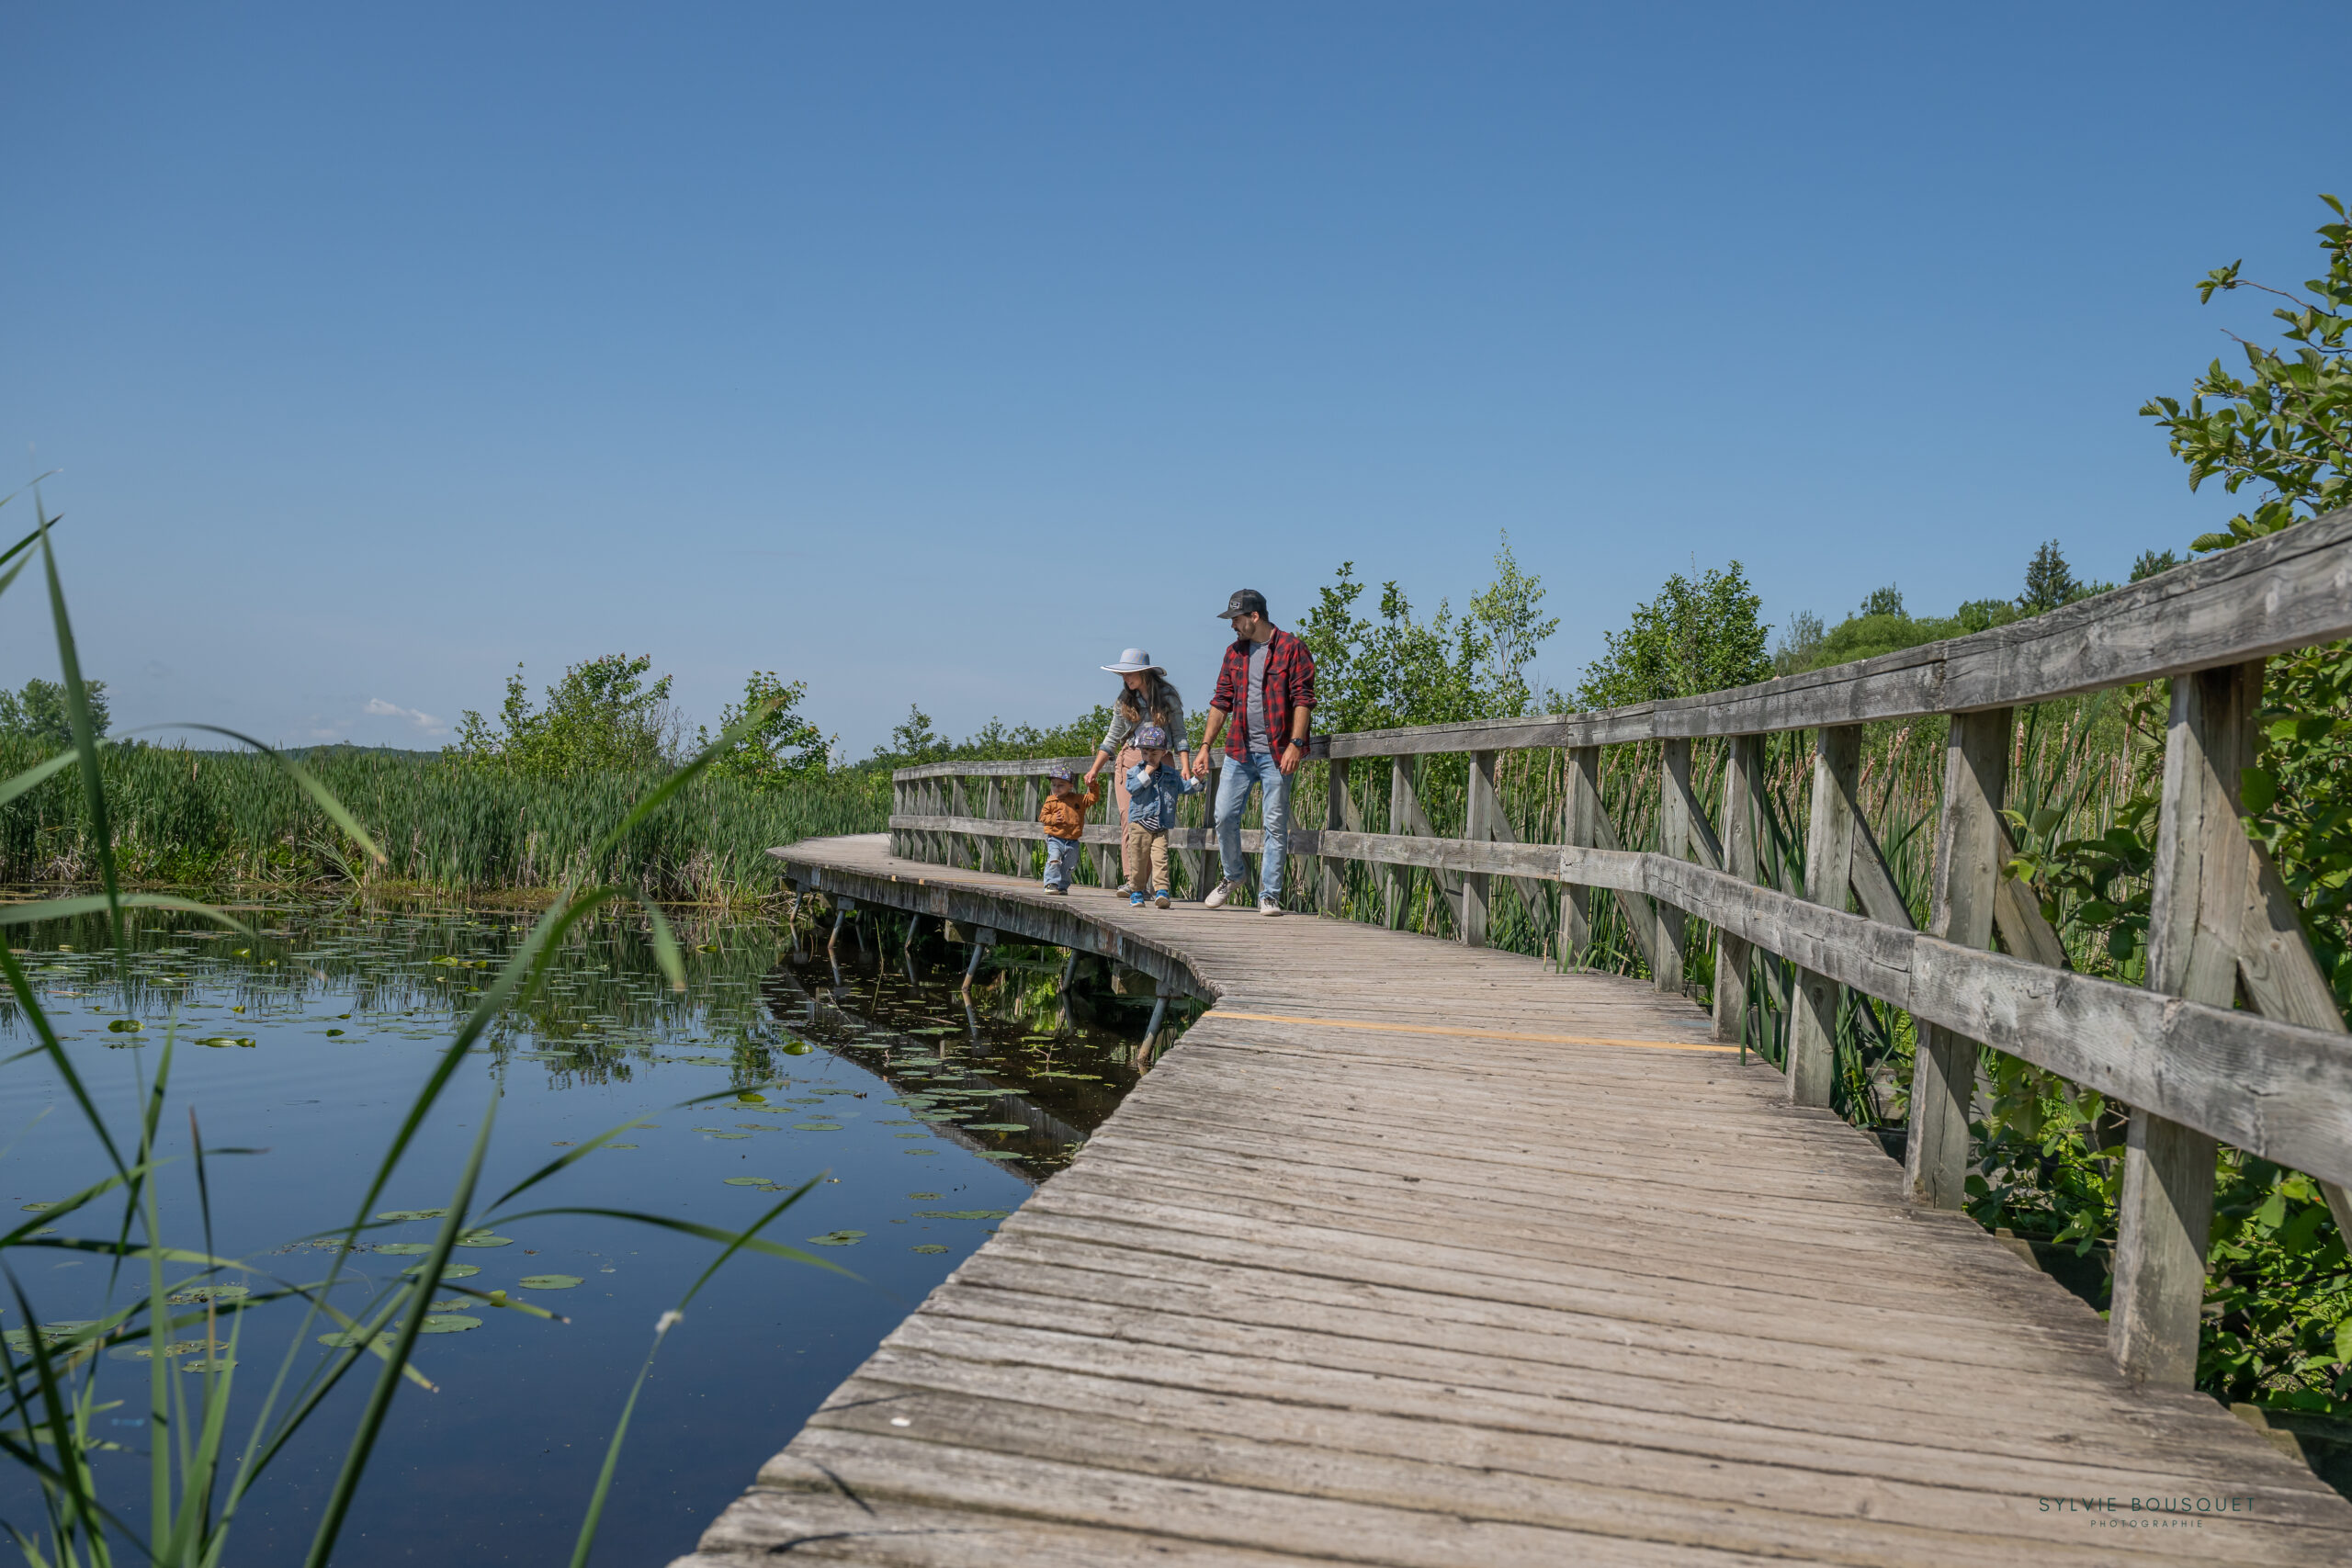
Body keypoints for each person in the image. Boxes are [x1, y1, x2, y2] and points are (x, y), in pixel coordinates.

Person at [1193, 588, 1316, 916]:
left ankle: (1269, 895)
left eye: (1236, 618)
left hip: (1278, 752)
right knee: (1224, 816)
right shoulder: (1234, 653)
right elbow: (1221, 702)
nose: (1233, 625)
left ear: (1254, 617)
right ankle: (1233, 876)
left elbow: (1303, 699)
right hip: (1239, 750)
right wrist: (1205, 746)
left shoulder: (1292, 648)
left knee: (1274, 824)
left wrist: (1296, 743)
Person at [1085, 649, 1188, 891]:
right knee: (1129, 820)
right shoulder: (1124, 700)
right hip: (1130, 759)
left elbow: (1180, 734)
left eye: (1129, 673)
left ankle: (1148, 884)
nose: (1125, 679)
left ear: (1144, 673)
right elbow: (1111, 738)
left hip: (1162, 761)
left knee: (1155, 820)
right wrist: (1094, 770)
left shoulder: (1168, 697)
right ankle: (1133, 881)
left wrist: (1186, 766)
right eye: (1123, 674)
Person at [1121, 724, 1202, 909]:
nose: (1149, 757)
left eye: (1154, 754)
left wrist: (1199, 779)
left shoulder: (1171, 774)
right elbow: (1132, 788)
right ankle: (1136, 891)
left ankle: (1162, 891)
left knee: (1160, 858)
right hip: (1140, 823)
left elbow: (1186, 788)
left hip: (1161, 824)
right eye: (1145, 753)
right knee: (1138, 859)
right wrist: (1147, 772)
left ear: (1163, 753)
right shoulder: (1135, 772)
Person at [1035, 763, 1099, 896]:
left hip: (1072, 840)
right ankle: (1051, 883)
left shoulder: (1078, 799)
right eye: (1054, 784)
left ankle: (1063, 886)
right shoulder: (1050, 801)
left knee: (1069, 865)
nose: (1056, 788)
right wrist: (1053, 819)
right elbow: (1042, 817)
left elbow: (1092, 799)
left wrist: (1093, 786)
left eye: (1061, 785)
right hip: (1055, 838)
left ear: (1070, 785)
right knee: (1054, 858)